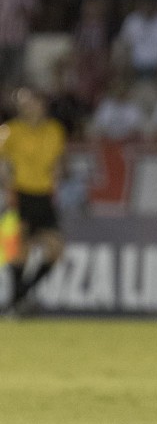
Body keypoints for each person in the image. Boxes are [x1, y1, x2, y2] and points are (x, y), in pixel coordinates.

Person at [0, 87, 67, 313]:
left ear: (42, 105)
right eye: (26, 104)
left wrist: (57, 179)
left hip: (44, 196)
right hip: (19, 194)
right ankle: (17, 302)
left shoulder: (54, 130)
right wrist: (6, 183)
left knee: (56, 249)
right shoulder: (10, 131)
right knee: (19, 250)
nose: (30, 107)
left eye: (34, 103)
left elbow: (58, 161)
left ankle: (19, 297)